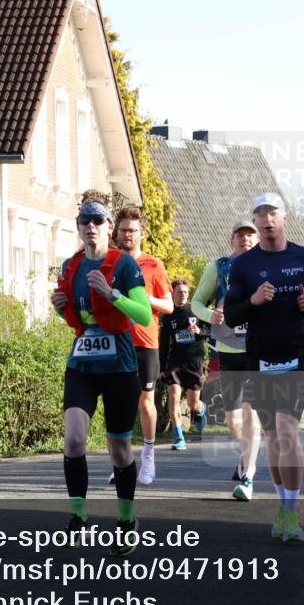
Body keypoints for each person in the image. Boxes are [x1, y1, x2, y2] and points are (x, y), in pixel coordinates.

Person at [223, 192, 304, 543]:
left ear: (285, 218)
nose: (268, 220)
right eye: (261, 215)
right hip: (260, 359)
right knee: (272, 437)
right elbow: (231, 312)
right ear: (254, 222)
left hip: (297, 356)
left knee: (287, 432)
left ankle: (292, 512)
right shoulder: (244, 265)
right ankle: (282, 506)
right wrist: (253, 301)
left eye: (273, 214)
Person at [53, 201, 153, 556]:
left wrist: (113, 294)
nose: (91, 226)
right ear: (78, 227)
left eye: (98, 220)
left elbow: (143, 314)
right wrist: (59, 304)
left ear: (109, 226)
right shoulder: (72, 265)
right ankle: (78, 516)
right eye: (85, 220)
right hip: (81, 364)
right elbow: (75, 317)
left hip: (120, 367)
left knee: (119, 448)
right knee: (74, 441)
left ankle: (126, 521)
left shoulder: (124, 265)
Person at [191, 219, 262, 501]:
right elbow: (197, 302)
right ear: (231, 240)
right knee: (233, 420)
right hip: (228, 350)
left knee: (251, 414)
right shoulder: (219, 267)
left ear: (257, 241)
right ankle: (245, 457)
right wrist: (211, 316)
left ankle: (249, 476)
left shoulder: (267, 265)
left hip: (257, 350)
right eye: (240, 235)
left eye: (250, 236)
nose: (246, 240)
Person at [113, 206, 173, 484]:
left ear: (142, 234)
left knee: (145, 402)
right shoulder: (110, 261)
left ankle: (148, 457)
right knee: (118, 403)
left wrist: (145, 300)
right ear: (116, 231)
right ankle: (122, 461)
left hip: (145, 342)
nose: (128, 234)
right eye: (124, 229)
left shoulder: (153, 265)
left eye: (133, 230)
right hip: (116, 340)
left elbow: (170, 306)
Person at [159, 279, 207, 449]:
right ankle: (179, 438)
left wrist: (199, 331)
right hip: (176, 362)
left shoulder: (196, 311)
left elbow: (210, 331)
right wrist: (162, 368)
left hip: (195, 360)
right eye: (179, 292)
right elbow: (163, 343)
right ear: (173, 293)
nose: (183, 295)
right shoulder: (167, 316)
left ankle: (201, 410)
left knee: (193, 403)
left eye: (186, 292)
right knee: (173, 396)